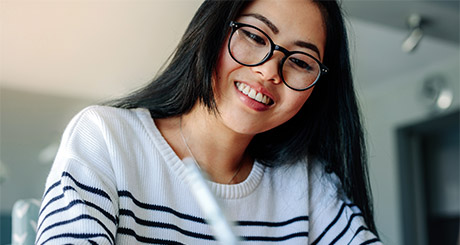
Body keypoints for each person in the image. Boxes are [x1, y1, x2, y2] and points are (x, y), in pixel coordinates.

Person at [35, 0, 382, 244]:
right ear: (213, 31)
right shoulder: (106, 138)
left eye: (302, 62)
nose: (268, 71)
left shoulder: (305, 181)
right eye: (255, 37)